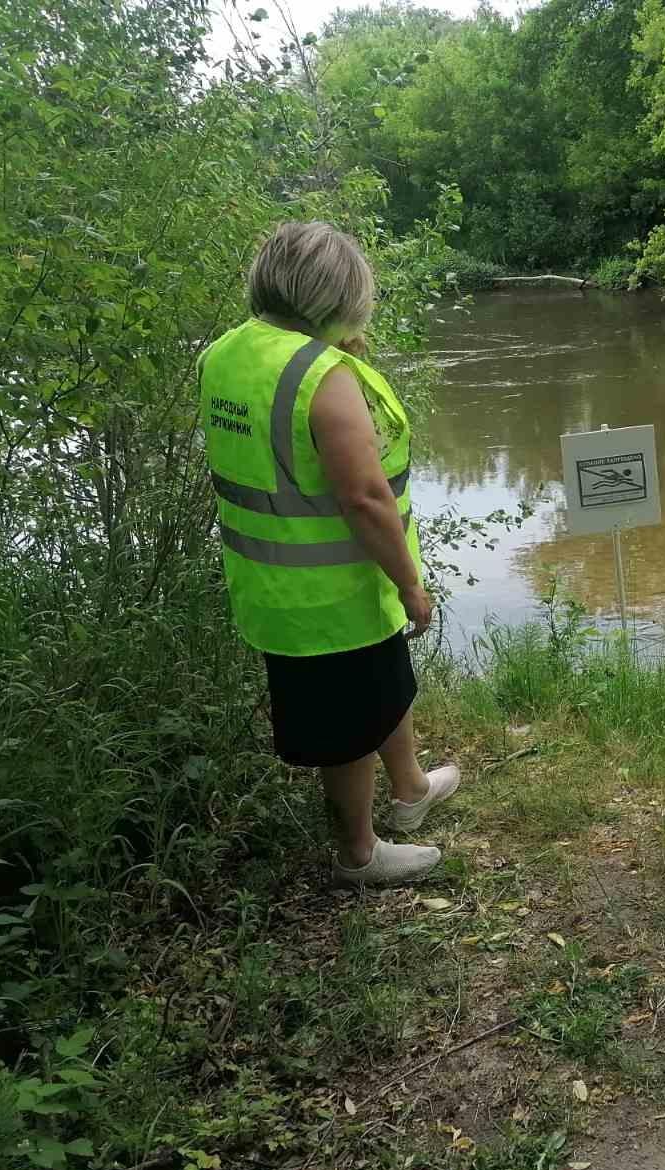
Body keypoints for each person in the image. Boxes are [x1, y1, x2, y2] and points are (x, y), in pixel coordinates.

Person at [200, 221, 461, 888]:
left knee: (385, 684)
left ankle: (410, 790)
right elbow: (365, 497)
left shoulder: (229, 352)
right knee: (350, 727)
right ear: (336, 294)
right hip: (330, 594)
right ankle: (359, 855)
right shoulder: (323, 376)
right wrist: (411, 586)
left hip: (276, 581)